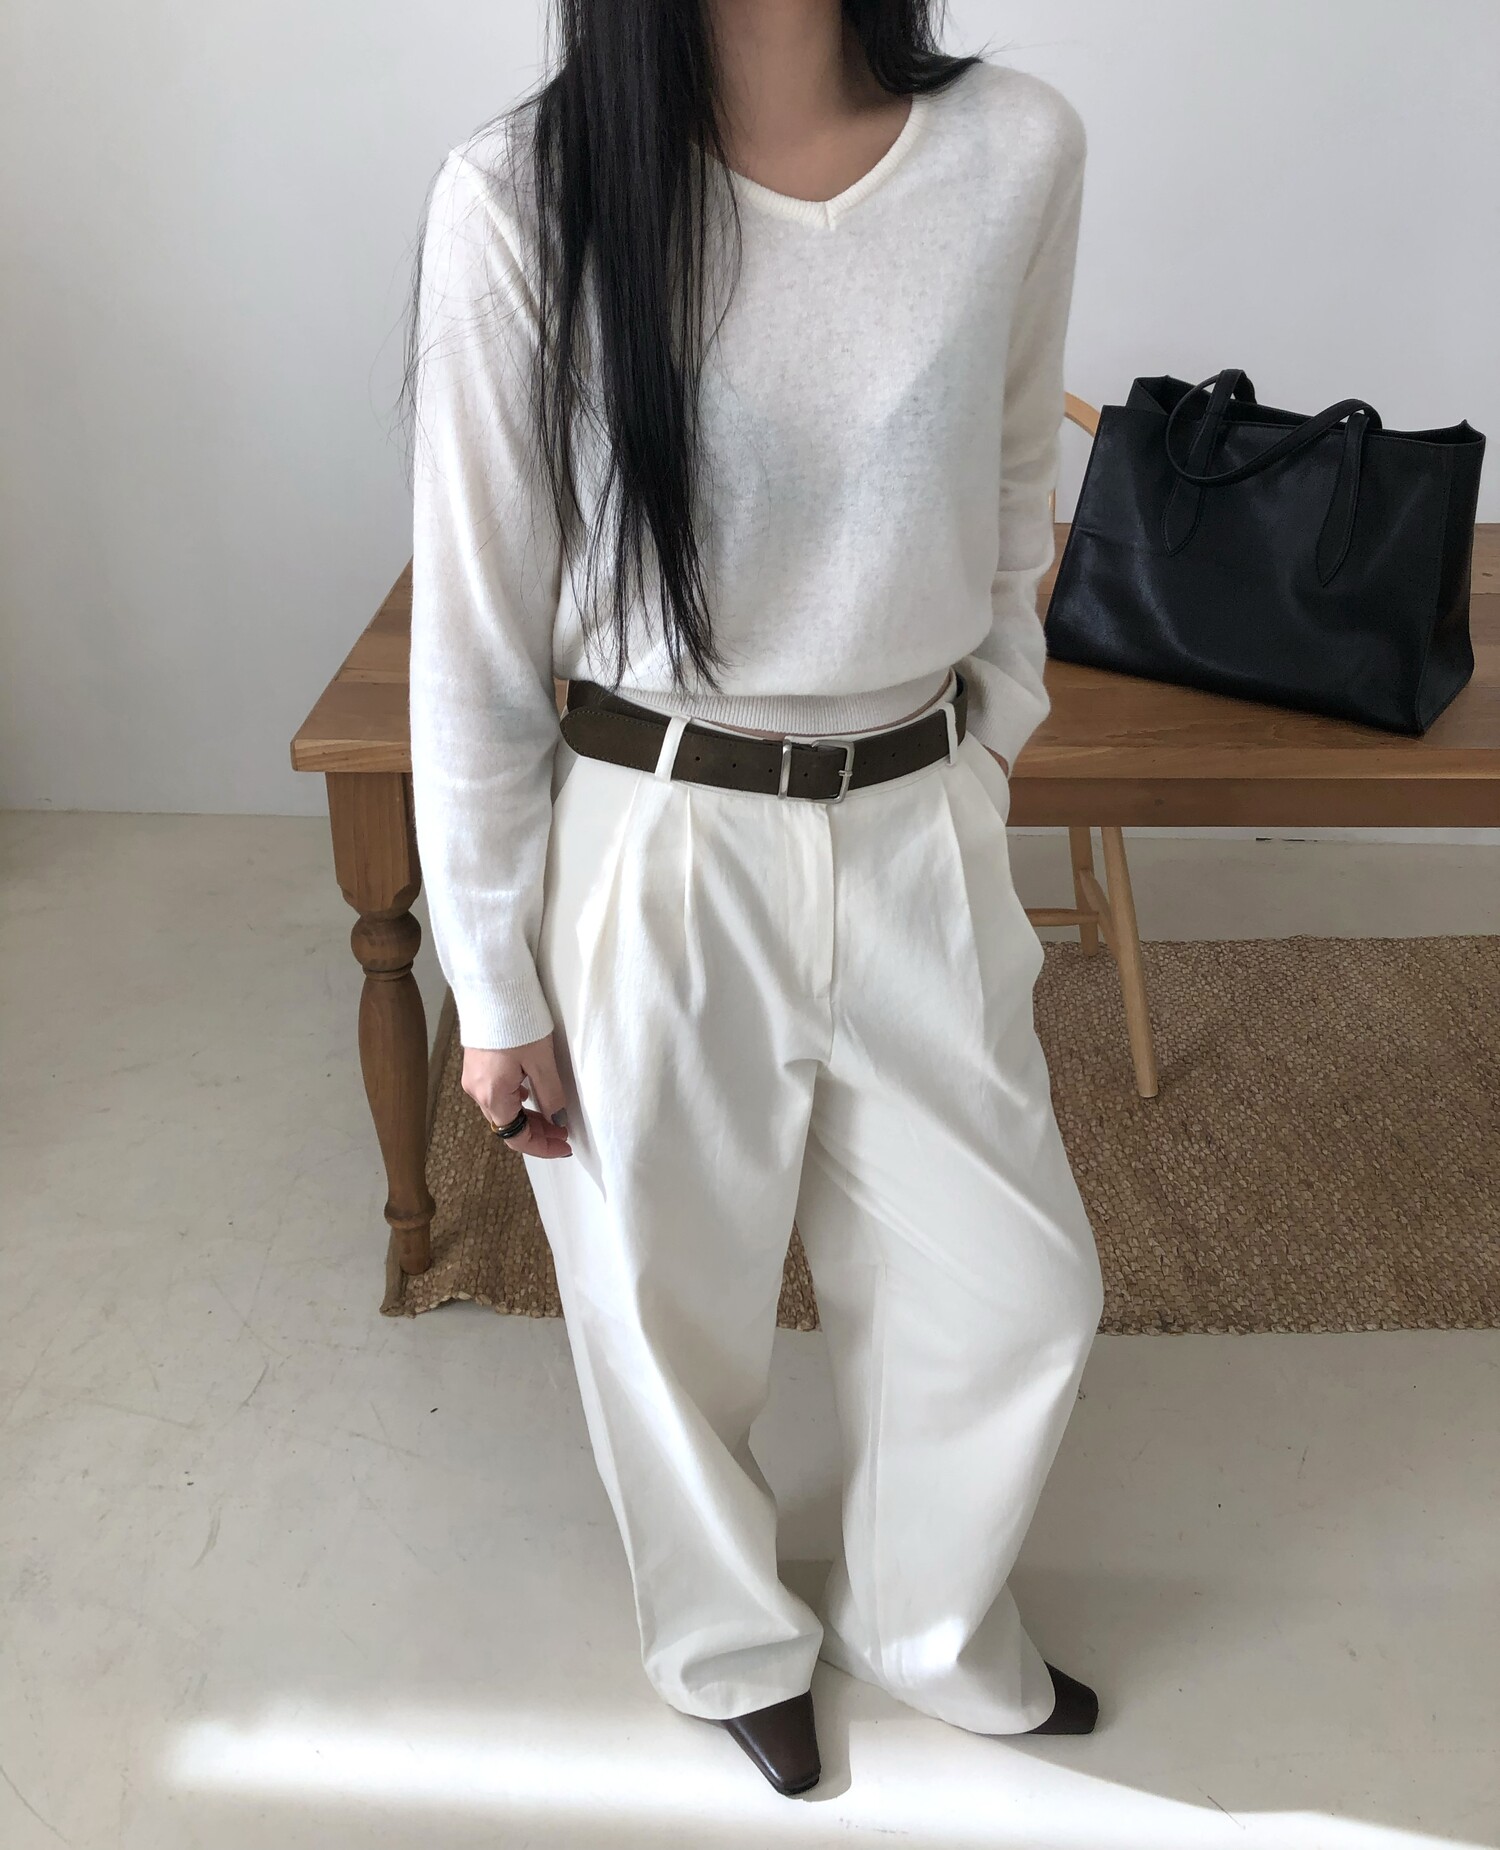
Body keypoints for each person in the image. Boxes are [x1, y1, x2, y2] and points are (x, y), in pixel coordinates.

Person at [404, 0, 1105, 1799]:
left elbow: (1014, 485)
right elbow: (476, 627)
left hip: (912, 812)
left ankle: (926, 1623)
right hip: (659, 831)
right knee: (664, 1302)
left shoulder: (1013, 150)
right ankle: (724, 1640)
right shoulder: (526, 197)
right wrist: (493, 979)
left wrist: (984, 754)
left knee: (1015, 1289)